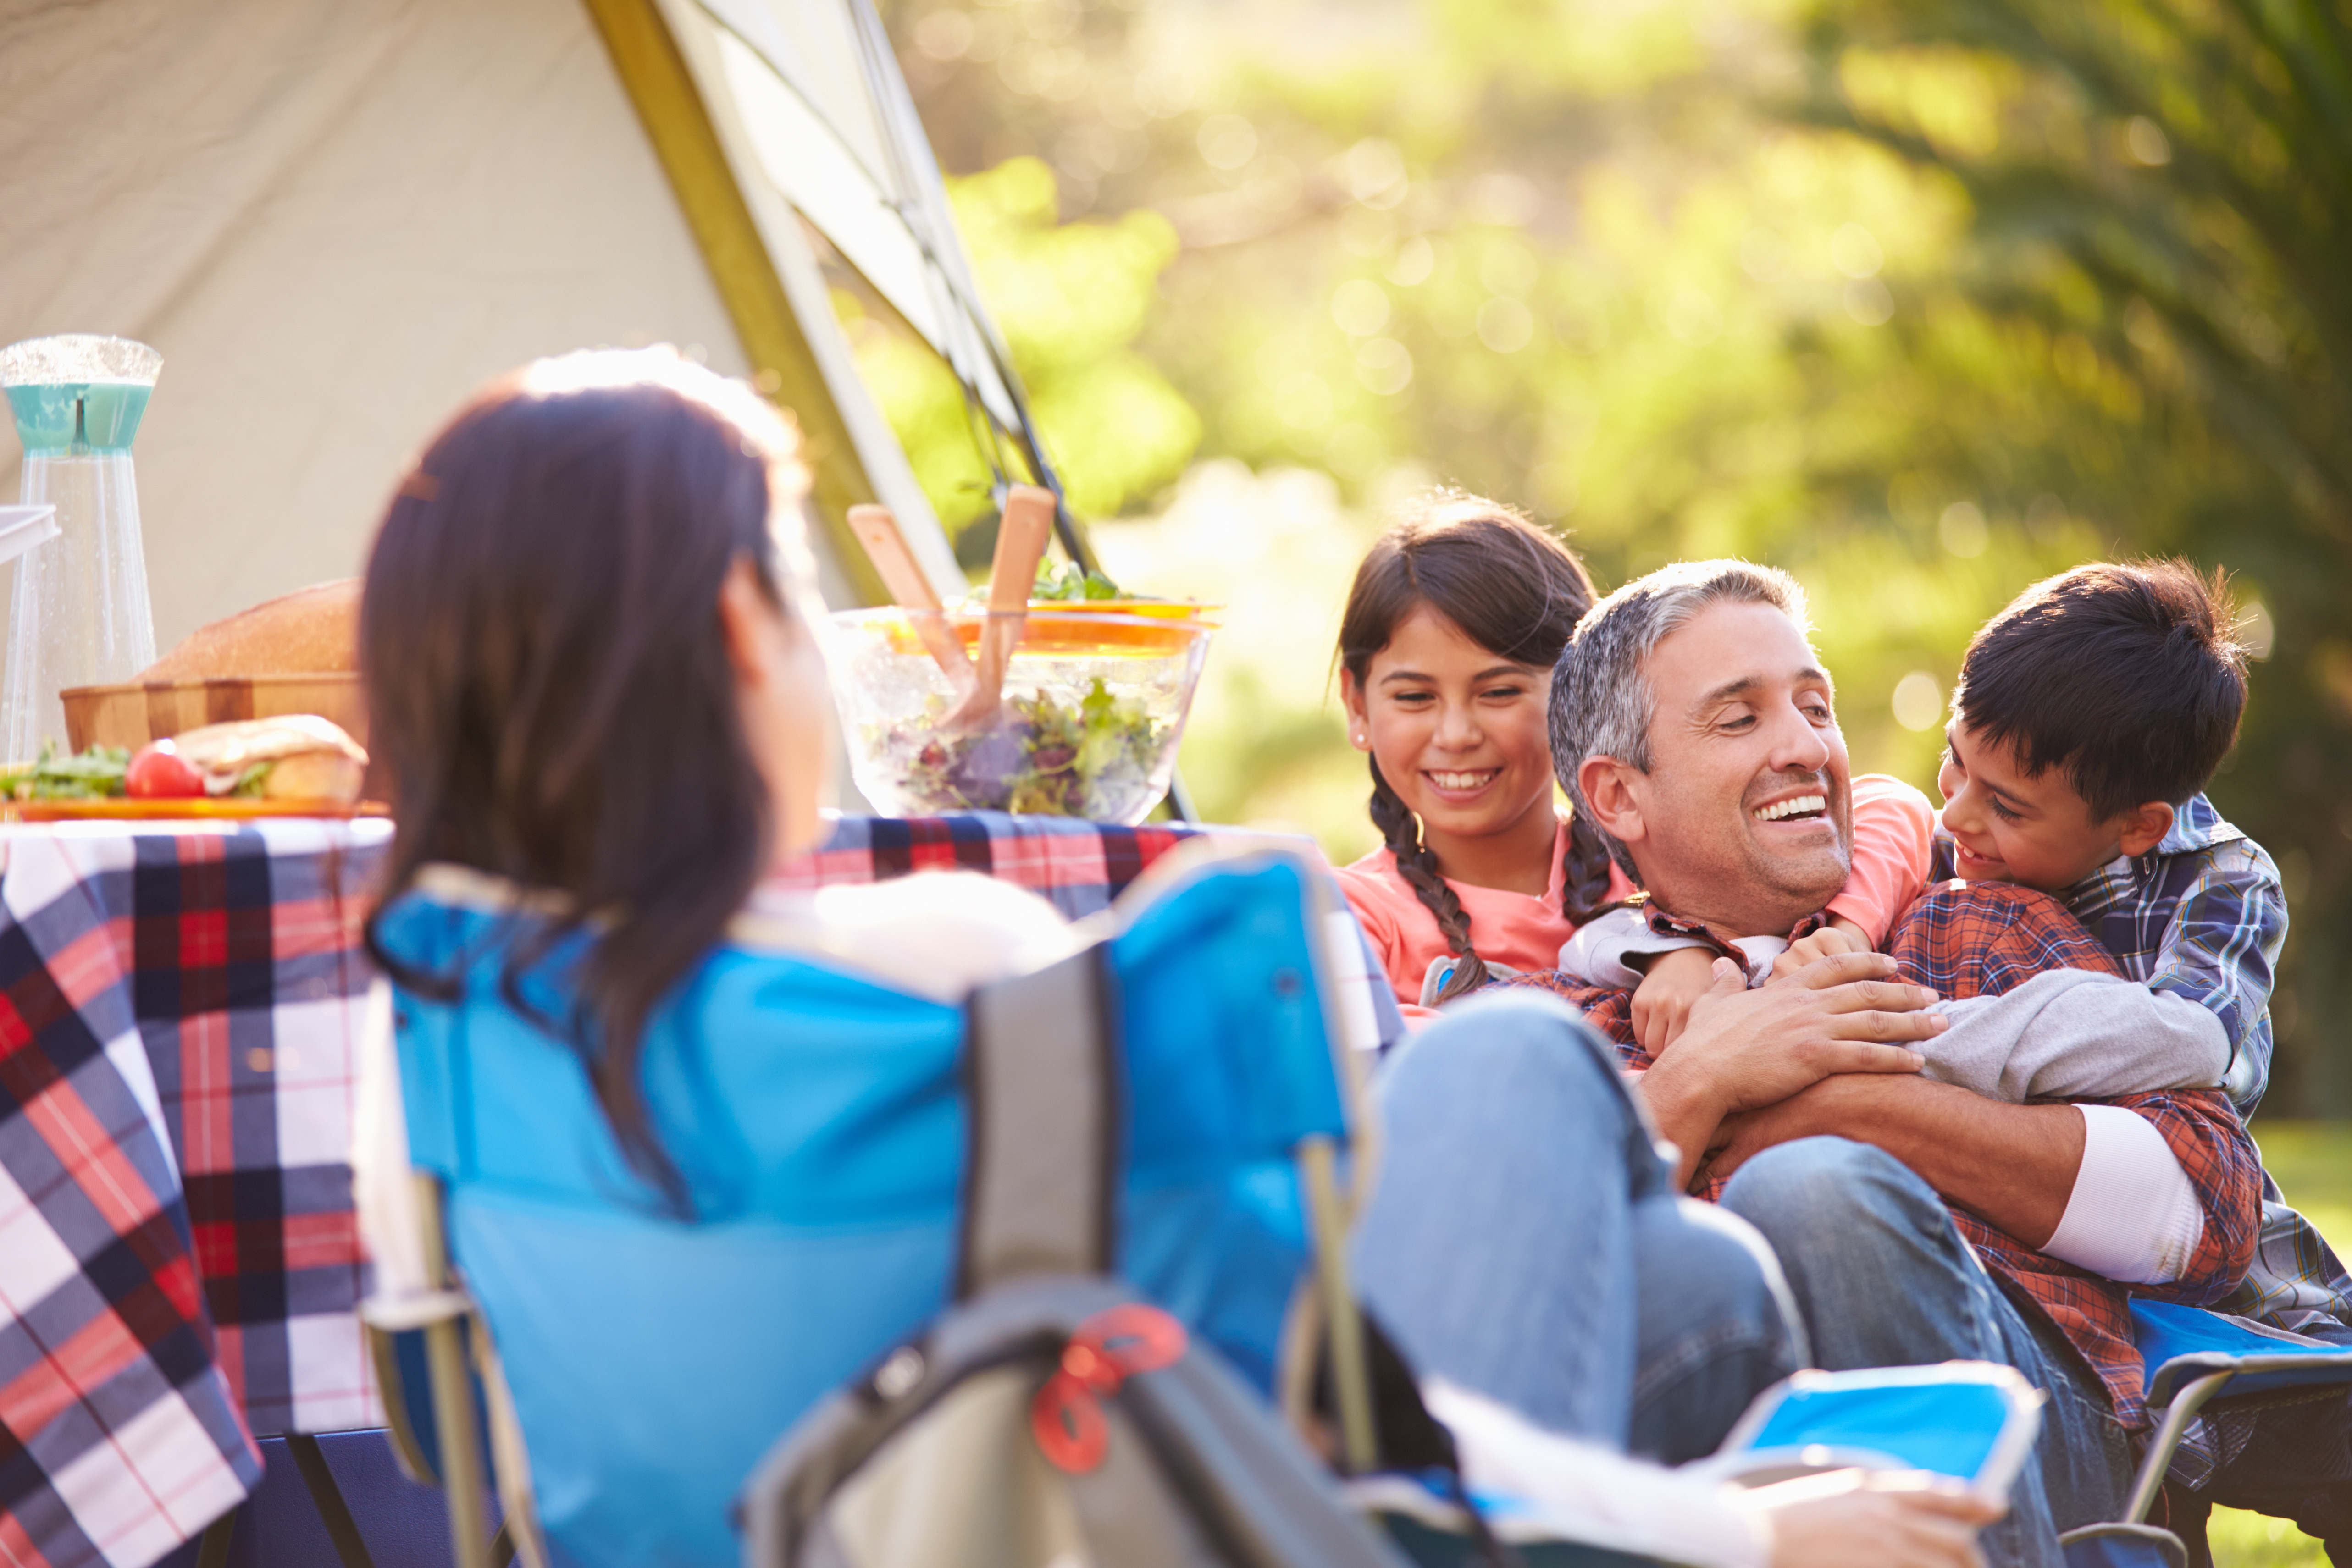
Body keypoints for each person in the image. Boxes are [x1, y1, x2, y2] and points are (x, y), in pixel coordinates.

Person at [350, 350, 1994, 1568]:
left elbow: (466, 1450)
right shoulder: (957, 977)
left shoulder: (428, 1038)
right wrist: (1752, 1535)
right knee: (1506, 1065)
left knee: (1696, 1281)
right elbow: (1322, 1428)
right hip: (1174, 1519)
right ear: (734, 638)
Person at [1471, 558, 2263, 1568]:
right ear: (1619, 796)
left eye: (1816, 706)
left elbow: (2213, 1211)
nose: (1806, 748)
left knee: (1814, 1192)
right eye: (1739, 719)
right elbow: (1504, 1297)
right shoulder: (1550, 1020)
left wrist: (1829, 1107)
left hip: (2027, 1431)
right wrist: (1703, 1078)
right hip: (1688, 1462)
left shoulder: (1972, 926)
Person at [1935, 561, 2349, 1558]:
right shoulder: (1949, 849)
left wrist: (1940, 1044)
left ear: (2136, 827)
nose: (1958, 818)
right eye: (1952, 765)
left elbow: (2191, 1058)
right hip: (2069, 1311)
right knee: (2144, 1530)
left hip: (2231, 1307)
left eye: (2007, 806)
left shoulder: (2222, 880)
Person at [1332, 494, 1936, 1030]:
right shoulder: (1346, 915)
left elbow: (1893, 807)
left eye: (1499, 692)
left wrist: (1847, 928)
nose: (1457, 733)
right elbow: (1391, 1076)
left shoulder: (1661, 837)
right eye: (1413, 697)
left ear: (1578, 704)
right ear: (1356, 706)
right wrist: (1656, 956)